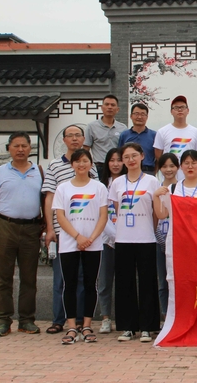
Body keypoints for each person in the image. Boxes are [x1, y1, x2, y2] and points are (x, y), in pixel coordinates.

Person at [0, 132, 44, 337]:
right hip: (5, 226)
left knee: (29, 277)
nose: (20, 150)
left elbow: (46, 200)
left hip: (31, 228)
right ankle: (3, 320)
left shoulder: (39, 172)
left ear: (30, 148)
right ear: (9, 148)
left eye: (24, 146)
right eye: (16, 146)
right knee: (4, 277)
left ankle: (27, 320)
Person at [42, 125, 98, 335]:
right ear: (64, 139)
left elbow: (96, 200)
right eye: (70, 136)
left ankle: (82, 321)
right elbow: (49, 197)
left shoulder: (90, 165)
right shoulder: (55, 165)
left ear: (83, 139)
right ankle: (59, 320)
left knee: (84, 279)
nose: (74, 139)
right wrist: (50, 228)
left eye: (78, 135)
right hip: (62, 231)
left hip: (88, 233)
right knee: (62, 279)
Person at [53, 149, 109, 344]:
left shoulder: (99, 187)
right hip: (69, 243)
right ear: (72, 165)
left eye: (85, 161)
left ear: (91, 164)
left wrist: (91, 238)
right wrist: (78, 237)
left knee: (90, 284)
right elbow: (60, 216)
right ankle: (71, 327)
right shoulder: (63, 188)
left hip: (93, 244)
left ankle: (86, 325)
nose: (81, 164)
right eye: (77, 161)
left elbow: (103, 216)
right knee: (69, 284)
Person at [109, 142, 161, 343]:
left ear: (142, 156)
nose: (130, 160)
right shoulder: (117, 183)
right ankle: (127, 327)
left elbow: (155, 212)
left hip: (146, 238)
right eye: (126, 157)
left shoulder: (152, 181)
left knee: (148, 283)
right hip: (123, 238)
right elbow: (117, 210)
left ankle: (148, 327)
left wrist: (150, 229)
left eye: (134, 156)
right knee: (124, 283)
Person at [97, 147, 126, 334]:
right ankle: (106, 318)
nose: (116, 164)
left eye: (119, 160)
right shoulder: (100, 186)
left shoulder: (128, 183)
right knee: (105, 282)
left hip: (126, 238)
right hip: (105, 239)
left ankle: (124, 318)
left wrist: (121, 234)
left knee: (124, 281)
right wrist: (112, 233)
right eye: (112, 160)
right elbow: (100, 214)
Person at [152, 153, 179, 325]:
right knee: (162, 281)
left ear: (178, 167)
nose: (168, 170)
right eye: (164, 166)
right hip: (159, 239)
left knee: (178, 280)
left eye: (172, 166)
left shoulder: (181, 188)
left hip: (177, 240)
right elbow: (155, 216)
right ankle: (164, 316)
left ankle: (178, 315)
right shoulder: (156, 188)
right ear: (159, 169)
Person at [153, 95, 197, 180]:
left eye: (182, 107)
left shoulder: (196, 132)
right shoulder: (162, 131)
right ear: (171, 111)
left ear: (187, 110)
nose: (180, 110)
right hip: (169, 177)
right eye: (176, 108)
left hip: (189, 177)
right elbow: (158, 156)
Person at [83, 94, 127, 178]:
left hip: (117, 167)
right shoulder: (92, 127)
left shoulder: (123, 128)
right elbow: (86, 149)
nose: (109, 107)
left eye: (112, 105)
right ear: (102, 107)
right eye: (107, 104)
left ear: (117, 109)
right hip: (99, 166)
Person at [118, 103, 157, 175]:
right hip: (128, 171)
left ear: (147, 117)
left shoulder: (154, 135)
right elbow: (120, 154)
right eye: (136, 114)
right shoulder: (124, 135)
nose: (139, 117)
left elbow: (158, 157)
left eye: (143, 114)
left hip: (148, 171)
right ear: (131, 116)